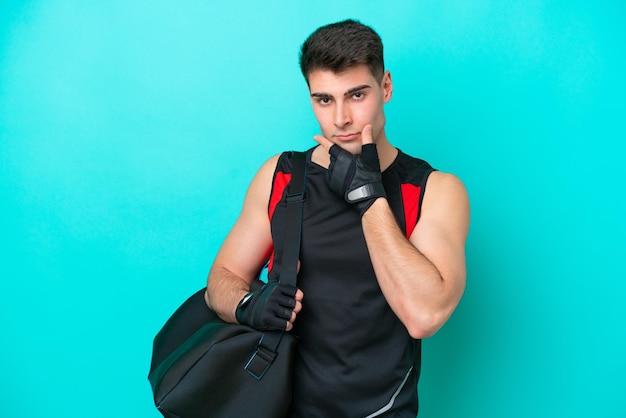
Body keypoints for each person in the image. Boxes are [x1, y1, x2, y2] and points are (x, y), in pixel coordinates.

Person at [205, 19, 470, 417]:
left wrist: (367, 195)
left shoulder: (434, 190)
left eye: (357, 95)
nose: (341, 118)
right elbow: (219, 282)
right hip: (282, 407)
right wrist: (248, 304)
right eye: (324, 100)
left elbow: (424, 316)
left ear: (386, 87)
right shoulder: (282, 177)